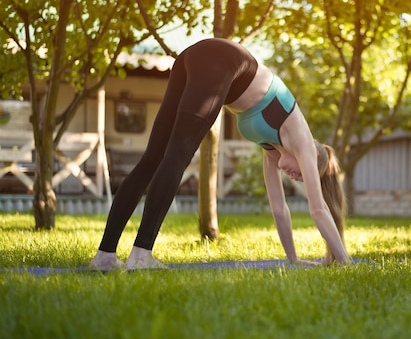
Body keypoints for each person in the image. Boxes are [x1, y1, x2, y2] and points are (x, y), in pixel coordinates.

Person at [89, 38, 350, 270]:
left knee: (153, 158)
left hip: (195, 56)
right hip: (221, 61)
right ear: (312, 159)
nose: (296, 177)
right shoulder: (304, 141)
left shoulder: (272, 148)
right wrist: (346, 262)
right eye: (304, 174)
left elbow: (279, 208)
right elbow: (318, 209)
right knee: (177, 155)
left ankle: (105, 257)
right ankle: (142, 254)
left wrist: (292, 259)